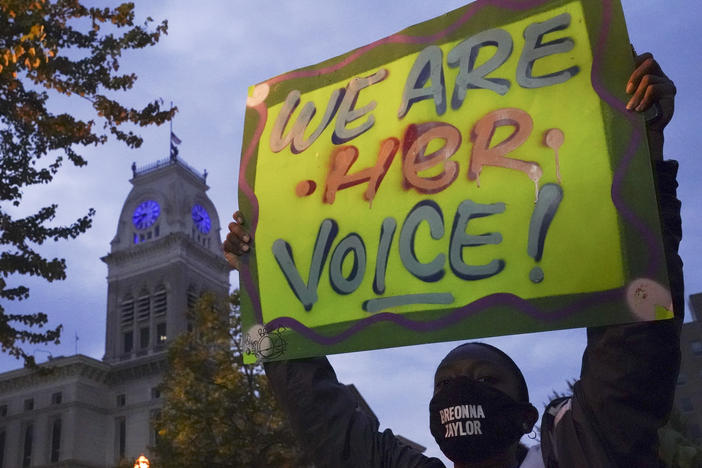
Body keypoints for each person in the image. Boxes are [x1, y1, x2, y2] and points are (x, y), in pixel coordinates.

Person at [223, 51, 682, 468]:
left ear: (526, 418)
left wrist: (643, 159)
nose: (461, 389)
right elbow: (312, 405)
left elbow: (632, 355)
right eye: (445, 386)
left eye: (486, 380)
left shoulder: (588, 453)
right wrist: (260, 285)